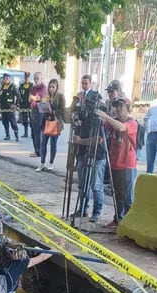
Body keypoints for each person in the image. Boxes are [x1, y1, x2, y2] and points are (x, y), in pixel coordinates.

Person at [96, 99, 139, 227]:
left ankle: (129, 222)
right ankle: (117, 219)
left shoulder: (132, 123)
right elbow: (105, 126)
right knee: (117, 195)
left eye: (121, 107)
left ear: (127, 108)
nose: (118, 110)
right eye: (116, 107)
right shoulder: (114, 121)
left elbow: (121, 128)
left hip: (127, 164)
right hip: (114, 163)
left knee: (127, 197)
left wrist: (107, 117)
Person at [71, 75, 107, 223]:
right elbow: (70, 116)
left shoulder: (98, 119)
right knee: (82, 184)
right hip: (82, 153)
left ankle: (96, 212)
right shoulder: (81, 118)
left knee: (95, 185)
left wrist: (81, 141)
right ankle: (82, 208)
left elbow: (98, 140)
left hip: (96, 155)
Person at [35, 78, 65, 172]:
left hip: (55, 123)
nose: (51, 89)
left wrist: (53, 112)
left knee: (53, 144)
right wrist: (42, 107)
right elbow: (42, 106)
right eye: (50, 87)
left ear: (56, 88)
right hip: (46, 122)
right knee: (43, 143)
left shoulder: (60, 96)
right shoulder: (46, 96)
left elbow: (63, 109)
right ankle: (42, 162)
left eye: (53, 87)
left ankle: (51, 163)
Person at [28, 73, 48, 158]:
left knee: (37, 132)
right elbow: (29, 98)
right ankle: (36, 150)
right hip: (33, 110)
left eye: (38, 78)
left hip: (40, 111)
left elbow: (42, 99)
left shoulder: (43, 88)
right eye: (35, 78)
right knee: (33, 132)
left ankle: (38, 151)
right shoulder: (33, 88)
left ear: (41, 78)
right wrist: (33, 98)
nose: (36, 80)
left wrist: (34, 98)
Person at [0, 72, 20, 141]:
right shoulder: (2, 87)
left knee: (13, 122)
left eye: (7, 79)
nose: (6, 80)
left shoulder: (13, 87)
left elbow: (18, 95)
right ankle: (7, 135)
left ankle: (16, 135)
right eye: (5, 79)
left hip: (10, 107)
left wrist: (16, 104)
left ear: (10, 79)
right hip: (3, 107)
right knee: (5, 122)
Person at [19, 72, 33, 138]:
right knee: (24, 119)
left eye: (27, 77)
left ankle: (32, 133)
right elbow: (19, 95)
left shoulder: (32, 86)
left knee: (32, 119)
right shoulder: (21, 86)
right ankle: (25, 132)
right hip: (23, 105)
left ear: (29, 78)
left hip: (30, 105)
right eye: (25, 77)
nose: (26, 79)